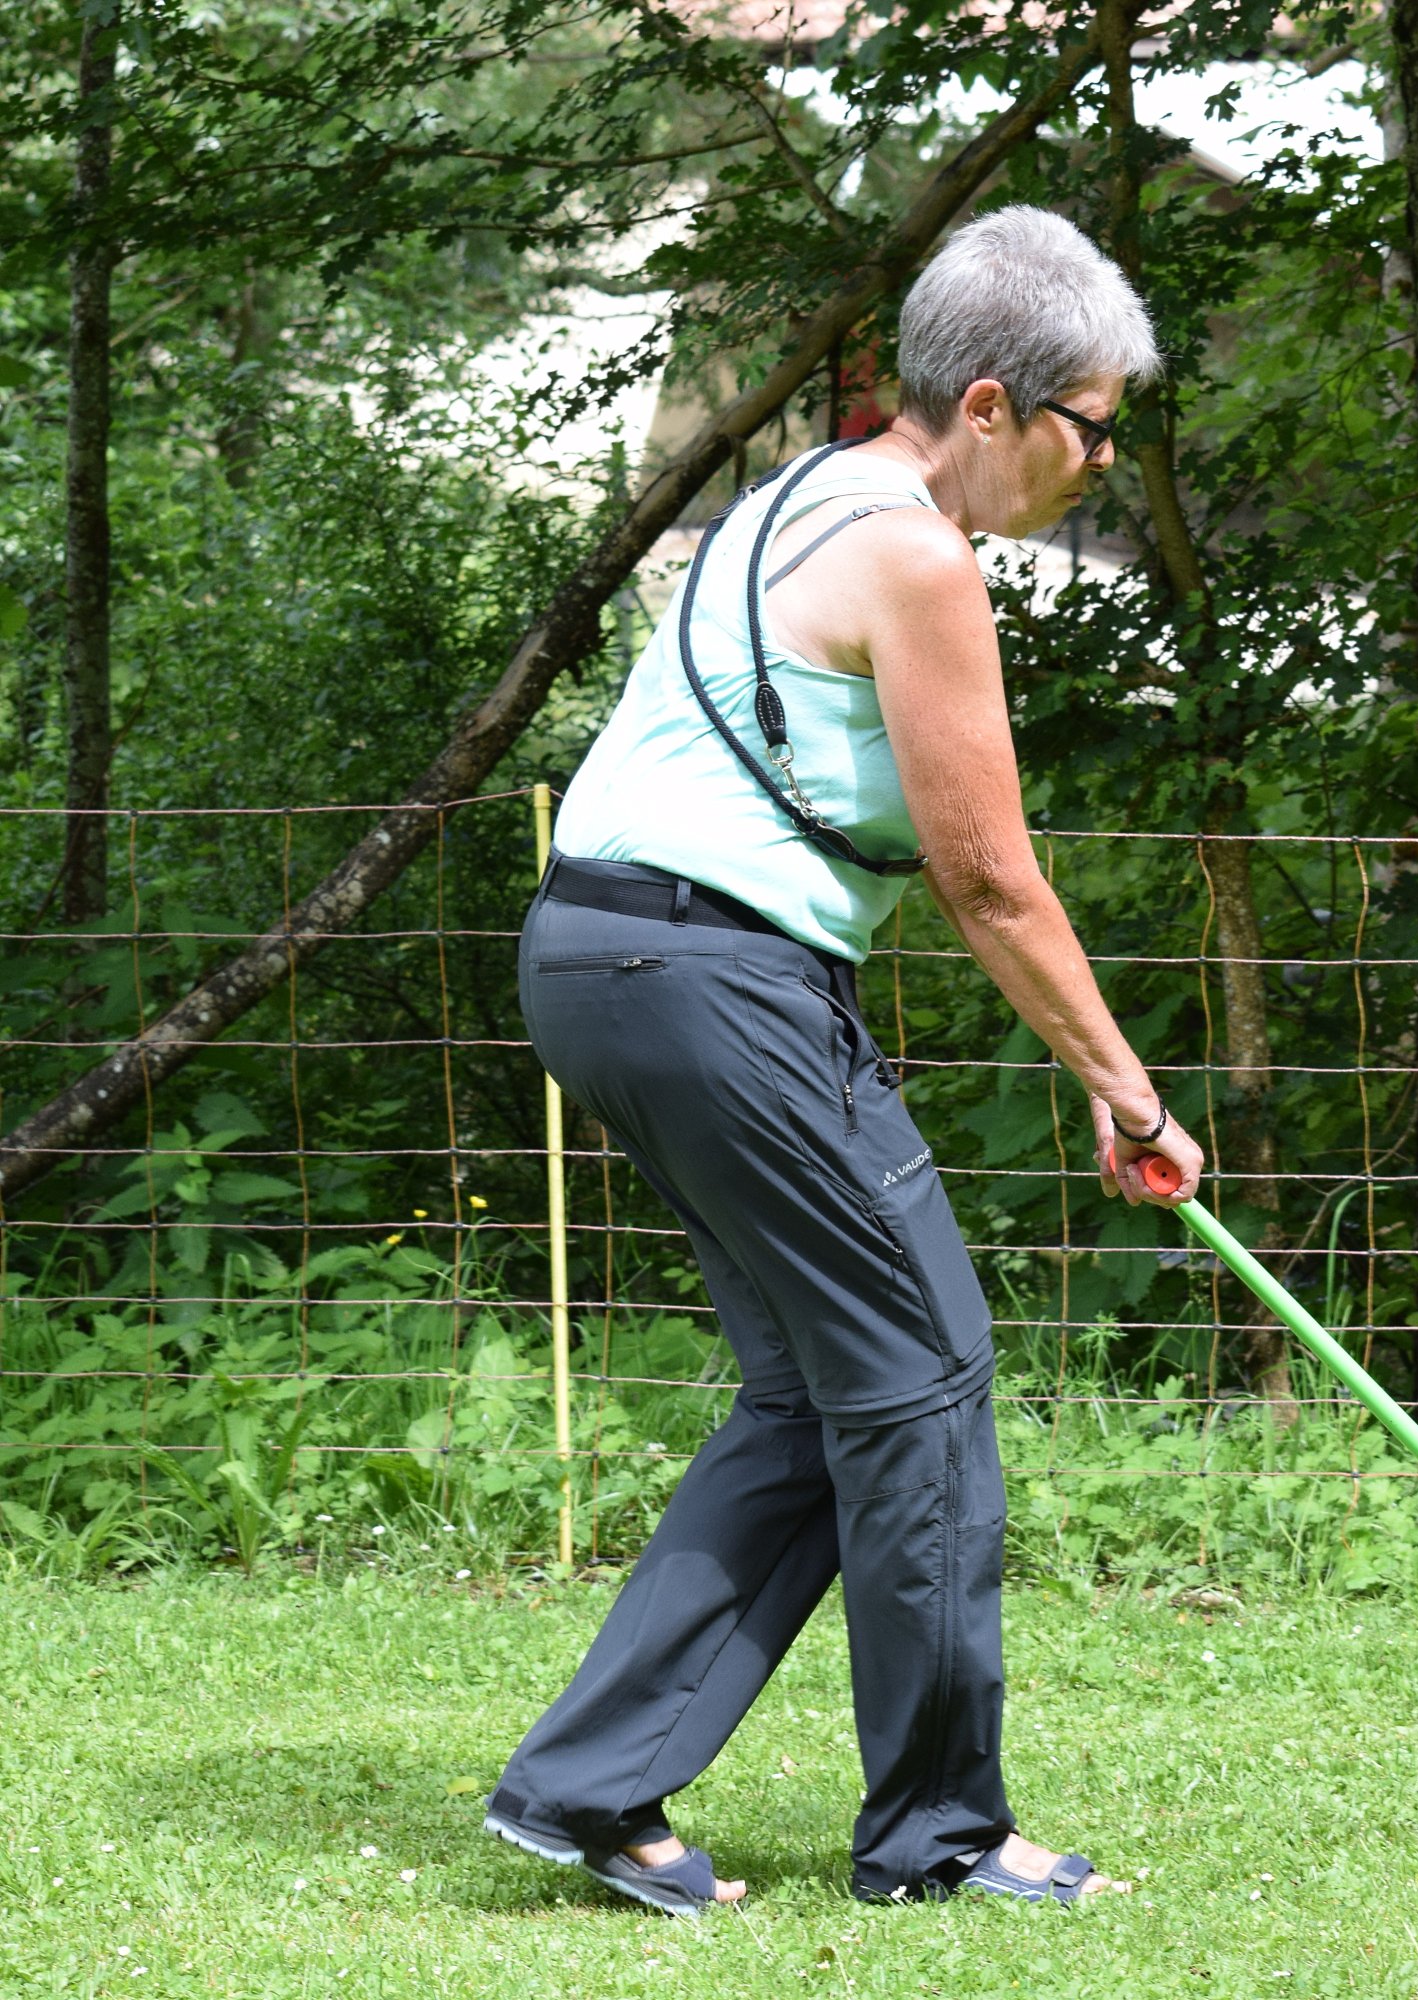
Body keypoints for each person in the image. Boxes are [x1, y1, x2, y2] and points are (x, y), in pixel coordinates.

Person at [483, 206, 1202, 1916]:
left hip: (598, 956)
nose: (1104, 459)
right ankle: (940, 1833)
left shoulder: (799, 494)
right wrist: (1126, 1087)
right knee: (927, 1373)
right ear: (989, 404)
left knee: (826, 1390)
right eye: (1092, 424)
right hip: (708, 976)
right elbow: (987, 878)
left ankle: (590, 1787)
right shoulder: (919, 559)